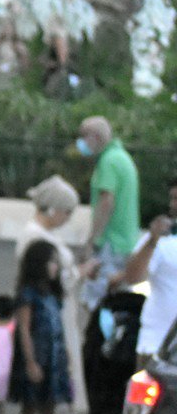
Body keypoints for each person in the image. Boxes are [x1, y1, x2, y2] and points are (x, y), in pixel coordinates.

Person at [21, 175, 86, 414]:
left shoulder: (39, 235)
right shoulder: (36, 237)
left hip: (57, 317)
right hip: (51, 321)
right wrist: (80, 273)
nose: (68, 217)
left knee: (57, 386)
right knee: (50, 388)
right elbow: (57, 278)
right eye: (66, 211)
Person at [10, 241, 74, 414]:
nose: (55, 267)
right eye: (52, 261)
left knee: (48, 411)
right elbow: (24, 329)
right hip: (37, 357)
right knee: (29, 410)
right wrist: (29, 361)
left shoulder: (52, 295)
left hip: (53, 359)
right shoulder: (28, 294)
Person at [74, 115, 141, 312]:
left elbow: (106, 201)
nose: (81, 142)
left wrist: (92, 240)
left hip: (110, 243)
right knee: (116, 299)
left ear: (95, 137)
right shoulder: (122, 158)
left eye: (83, 136)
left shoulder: (108, 162)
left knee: (96, 301)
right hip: (126, 240)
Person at [120, 177, 177, 370]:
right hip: (157, 345)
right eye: (172, 198)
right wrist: (152, 241)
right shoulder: (159, 241)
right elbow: (133, 277)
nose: (173, 205)